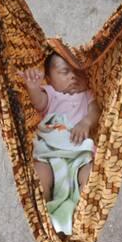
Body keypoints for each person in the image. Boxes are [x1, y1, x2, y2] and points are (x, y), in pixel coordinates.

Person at [18, 52, 101, 205]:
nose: (73, 76)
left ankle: (81, 213)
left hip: (78, 155)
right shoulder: (50, 93)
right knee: (39, 174)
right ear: (49, 79)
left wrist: (86, 122)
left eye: (78, 71)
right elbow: (38, 102)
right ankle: (45, 210)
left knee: (91, 176)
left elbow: (95, 110)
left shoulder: (86, 94)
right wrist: (33, 88)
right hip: (50, 154)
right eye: (65, 71)